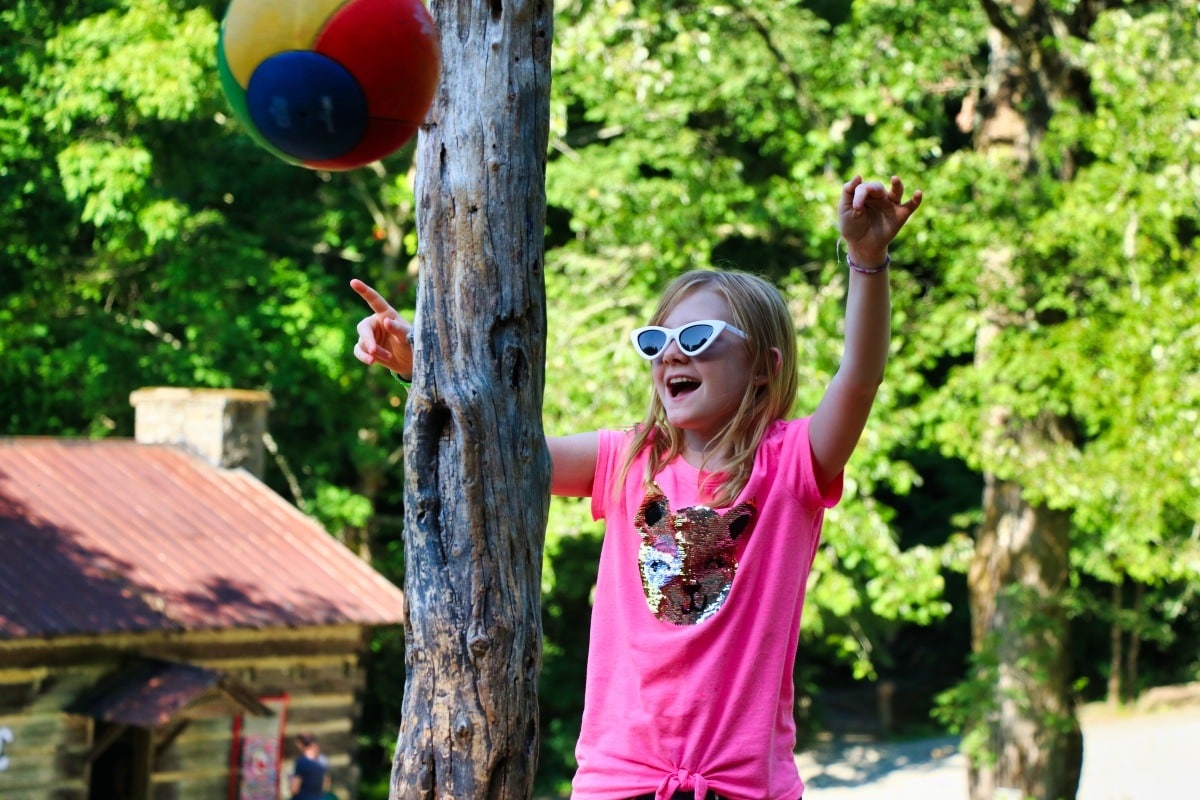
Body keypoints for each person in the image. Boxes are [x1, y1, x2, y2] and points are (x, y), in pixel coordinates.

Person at [350, 175, 922, 800]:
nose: (671, 356)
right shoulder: (626, 460)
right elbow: (501, 459)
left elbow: (860, 379)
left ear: (764, 369)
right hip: (620, 782)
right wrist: (422, 369)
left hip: (742, 786)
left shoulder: (790, 467)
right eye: (657, 343)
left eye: (697, 340)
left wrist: (868, 264)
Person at [287, 732, 330, 800]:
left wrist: (291, 781)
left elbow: (294, 789)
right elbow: (326, 786)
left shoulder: (301, 762)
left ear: (300, 745)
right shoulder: (323, 762)